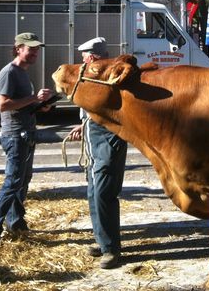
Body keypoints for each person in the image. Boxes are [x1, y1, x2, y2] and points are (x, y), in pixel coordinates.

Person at [0, 33, 53, 250]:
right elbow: (2, 105)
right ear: (18, 48)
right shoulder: (9, 72)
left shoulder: (23, 73)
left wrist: (40, 106)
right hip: (15, 135)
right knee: (12, 183)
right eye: (31, 49)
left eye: (37, 49)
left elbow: (21, 105)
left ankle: (15, 222)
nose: (35, 53)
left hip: (26, 133)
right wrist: (34, 98)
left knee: (23, 181)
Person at [67, 37, 127, 269]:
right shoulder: (95, 76)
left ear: (92, 57)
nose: (82, 60)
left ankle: (111, 249)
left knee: (104, 191)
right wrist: (84, 124)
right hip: (94, 133)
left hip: (107, 138)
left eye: (84, 56)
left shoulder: (109, 77)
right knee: (94, 191)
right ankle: (103, 241)